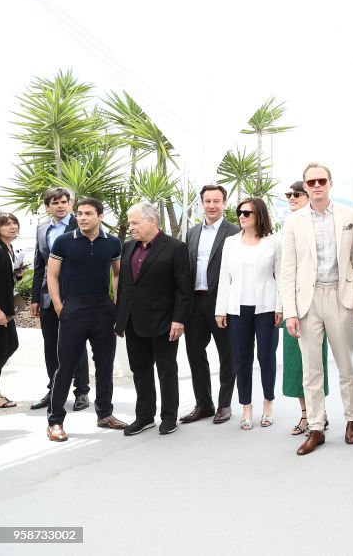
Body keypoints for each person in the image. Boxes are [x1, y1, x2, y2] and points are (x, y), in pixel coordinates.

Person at [281, 162, 353, 455]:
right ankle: (316, 427)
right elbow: (288, 269)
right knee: (311, 368)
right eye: (311, 182)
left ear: (330, 183)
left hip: (340, 297)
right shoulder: (293, 222)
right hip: (307, 301)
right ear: (305, 186)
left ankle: (352, 421)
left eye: (321, 181)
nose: (316, 186)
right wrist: (290, 311)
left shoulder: (349, 216)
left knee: (345, 365)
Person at [44, 199, 128, 441]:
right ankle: (55, 421)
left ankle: (105, 414)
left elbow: (117, 273)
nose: (82, 217)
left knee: (104, 365)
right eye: (79, 213)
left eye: (88, 214)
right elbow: (52, 274)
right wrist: (60, 307)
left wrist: (116, 304)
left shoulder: (112, 242)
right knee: (66, 366)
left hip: (103, 307)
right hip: (74, 307)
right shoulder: (63, 241)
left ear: (100, 216)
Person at [116, 202, 192, 436]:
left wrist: (179, 320)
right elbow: (126, 286)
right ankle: (145, 416)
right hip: (133, 321)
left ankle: (169, 417)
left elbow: (183, 289)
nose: (131, 227)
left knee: (166, 370)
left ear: (151, 221)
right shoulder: (128, 247)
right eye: (130, 222)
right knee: (140, 370)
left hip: (164, 322)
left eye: (134, 222)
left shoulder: (176, 248)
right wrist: (120, 318)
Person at [215, 198, 282, 430]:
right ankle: (246, 407)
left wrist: (280, 307)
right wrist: (220, 310)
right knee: (241, 359)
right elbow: (225, 277)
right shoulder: (230, 242)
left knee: (266, 357)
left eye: (247, 213)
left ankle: (268, 404)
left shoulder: (274, 242)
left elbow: (281, 276)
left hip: (266, 308)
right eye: (239, 212)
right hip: (237, 309)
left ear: (259, 216)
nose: (241, 216)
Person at [181, 185, 239, 425]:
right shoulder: (192, 232)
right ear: (202, 204)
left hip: (222, 304)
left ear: (224, 203)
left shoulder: (234, 232)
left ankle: (224, 404)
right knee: (194, 354)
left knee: (227, 355)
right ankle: (204, 403)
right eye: (207, 201)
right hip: (195, 302)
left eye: (216, 201)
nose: (212, 205)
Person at [29, 187, 90, 412]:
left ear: (70, 204)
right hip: (47, 297)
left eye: (64, 202)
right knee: (50, 346)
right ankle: (55, 389)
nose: (60, 206)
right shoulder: (42, 228)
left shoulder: (81, 224)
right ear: (48, 207)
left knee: (77, 343)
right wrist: (35, 297)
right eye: (55, 203)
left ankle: (81, 391)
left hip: (75, 296)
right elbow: (39, 265)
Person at [279, 180, 331, 435]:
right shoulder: (288, 227)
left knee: (314, 363)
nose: (291, 198)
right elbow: (284, 272)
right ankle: (307, 414)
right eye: (288, 194)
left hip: (317, 303)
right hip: (293, 307)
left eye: (296, 194)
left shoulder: (319, 225)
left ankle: (318, 414)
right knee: (295, 364)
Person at [0, 213, 22, 409]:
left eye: (14, 223)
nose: (12, 227)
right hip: (0, 311)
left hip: (7, 308)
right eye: (6, 224)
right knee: (1, 350)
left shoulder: (8, 248)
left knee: (10, 345)